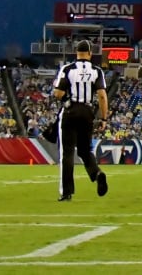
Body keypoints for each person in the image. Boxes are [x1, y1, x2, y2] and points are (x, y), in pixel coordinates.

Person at [52, 40, 109, 201]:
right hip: (87, 112)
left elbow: (57, 93)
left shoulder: (68, 69)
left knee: (67, 153)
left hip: (70, 111)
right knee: (85, 151)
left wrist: (67, 98)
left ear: (76, 53)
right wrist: (103, 118)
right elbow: (102, 96)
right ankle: (97, 174)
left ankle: (67, 192)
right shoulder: (97, 71)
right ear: (90, 53)